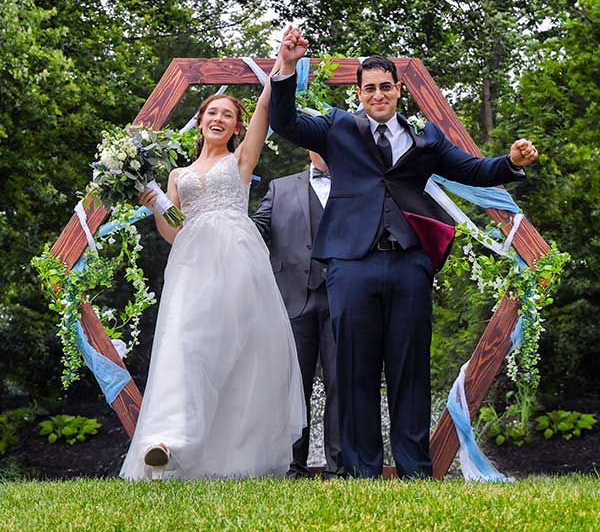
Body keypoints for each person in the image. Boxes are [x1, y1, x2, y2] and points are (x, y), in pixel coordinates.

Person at [268, 27, 539, 479]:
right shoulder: (337, 128)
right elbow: (285, 122)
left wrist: (511, 163)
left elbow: (472, 170)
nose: (378, 94)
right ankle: (361, 468)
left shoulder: (426, 139)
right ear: (358, 93)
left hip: (410, 263)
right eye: (369, 87)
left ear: (398, 91)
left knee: (410, 366)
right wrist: (286, 66)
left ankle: (415, 469)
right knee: (354, 368)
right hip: (351, 264)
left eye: (385, 86)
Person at [120, 45, 306, 480]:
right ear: (200, 122)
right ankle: (166, 442)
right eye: (212, 113)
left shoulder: (241, 161)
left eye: (227, 115)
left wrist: (286, 64)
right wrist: (154, 206)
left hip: (238, 262)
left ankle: (232, 454)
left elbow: (265, 105)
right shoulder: (176, 176)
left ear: (236, 126)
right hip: (190, 264)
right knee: (184, 344)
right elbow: (174, 232)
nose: (219, 119)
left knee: (234, 350)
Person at [252, 151, 343, 479]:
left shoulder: (359, 183)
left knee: (341, 384)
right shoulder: (279, 188)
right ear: (307, 147)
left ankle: (339, 468)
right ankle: (292, 466)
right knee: (292, 386)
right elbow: (253, 230)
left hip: (343, 298)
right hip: (290, 297)